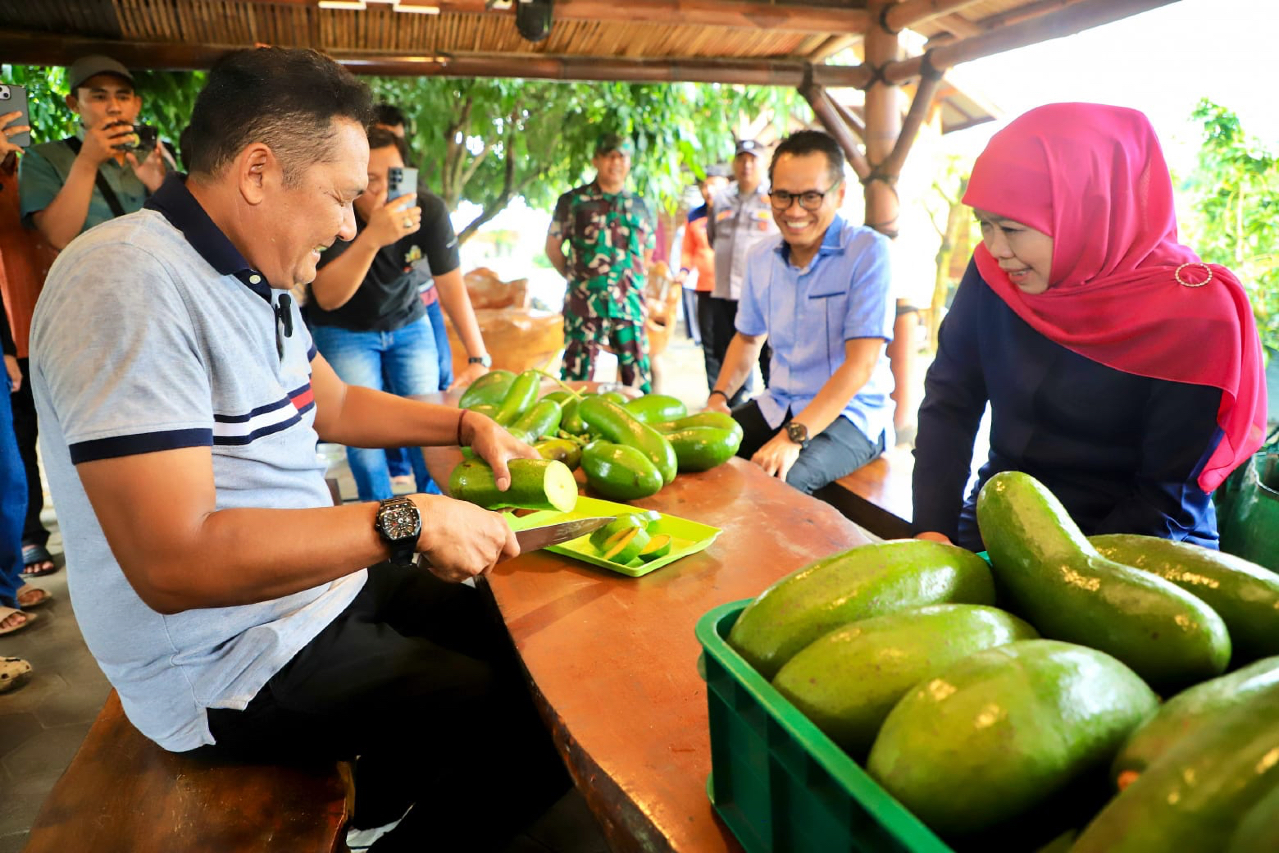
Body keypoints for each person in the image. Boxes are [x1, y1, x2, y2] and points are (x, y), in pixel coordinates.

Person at [29, 47, 567, 850]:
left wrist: (460, 424)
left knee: (521, 632)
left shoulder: (256, 277)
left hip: (308, 594)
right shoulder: (126, 281)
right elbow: (172, 562)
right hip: (225, 663)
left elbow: (332, 401)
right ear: (257, 172)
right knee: (525, 724)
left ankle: (377, 808)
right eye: (343, 197)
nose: (352, 224)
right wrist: (404, 519)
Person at [912, 103, 1268, 551]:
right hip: (1004, 518)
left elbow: (1166, 501)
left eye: (1012, 228)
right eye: (984, 224)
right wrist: (932, 530)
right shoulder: (994, 275)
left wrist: (1049, 575)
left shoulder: (1195, 313)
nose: (996, 247)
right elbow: (950, 400)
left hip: (1145, 542)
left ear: (1088, 208)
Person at [15, 54, 171, 577]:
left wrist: (159, 180)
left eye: (122, 95)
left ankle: (167, 531)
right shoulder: (44, 159)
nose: (112, 105)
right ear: (73, 104)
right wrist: (86, 161)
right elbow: (57, 234)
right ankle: (104, 549)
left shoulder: (155, 158)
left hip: (160, 317)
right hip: (88, 327)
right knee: (94, 440)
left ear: (138, 103)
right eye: (97, 95)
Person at [707, 130, 895, 495]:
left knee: (782, 483)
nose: (794, 211)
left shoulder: (869, 252)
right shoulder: (761, 257)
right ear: (770, 193)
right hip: (780, 404)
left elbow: (861, 365)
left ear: (839, 194)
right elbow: (747, 339)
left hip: (853, 418)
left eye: (810, 197)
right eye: (783, 196)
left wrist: (792, 437)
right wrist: (717, 399)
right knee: (700, 452)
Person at [306, 126, 446, 502]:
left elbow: (452, 282)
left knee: (427, 425)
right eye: (370, 180)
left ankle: (436, 519)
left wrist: (479, 354)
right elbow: (328, 297)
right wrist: (373, 236)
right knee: (364, 443)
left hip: (407, 322)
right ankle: (381, 531)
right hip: (344, 330)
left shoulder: (425, 209)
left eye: (395, 177)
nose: (384, 190)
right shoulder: (336, 212)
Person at [371, 104, 492, 392]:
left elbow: (451, 283)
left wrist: (478, 357)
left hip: (421, 296)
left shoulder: (419, 196)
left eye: (396, 140)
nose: (388, 146)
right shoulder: (350, 199)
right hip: (362, 313)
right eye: (380, 138)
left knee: (439, 379)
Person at [546, 132, 655, 392]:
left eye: (622, 156)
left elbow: (647, 253)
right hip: (584, 306)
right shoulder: (572, 202)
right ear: (596, 159)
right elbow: (552, 248)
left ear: (629, 162)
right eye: (609, 156)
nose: (615, 162)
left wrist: (632, 282)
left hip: (629, 305)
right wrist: (579, 281)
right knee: (575, 381)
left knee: (637, 380)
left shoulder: (641, 205)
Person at [0, 109, 49, 645]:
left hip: (49, 318)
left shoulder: (37, 166)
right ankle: (29, 541)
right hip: (11, 327)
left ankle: (9, 574)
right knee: (15, 445)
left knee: (32, 448)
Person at [705, 139, 779, 405]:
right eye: (741, 159)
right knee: (727, 352)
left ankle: (775, 404)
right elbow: (712, 237)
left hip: (763, 292)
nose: (746, 165)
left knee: (767, 355)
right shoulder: (722, 198)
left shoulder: (773, 198)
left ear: (762, 164)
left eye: (752, 159)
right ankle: (730, 408)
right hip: (726, 292)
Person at [677, 164, 729, 349]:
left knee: (733, 343)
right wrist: (684, 271)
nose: (709, 191)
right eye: (705, 186)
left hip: (732, 289)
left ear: (727, 184)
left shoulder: (736, 214)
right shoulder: (694, 217)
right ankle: (714, 379)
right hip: (706, 288)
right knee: (709, 342)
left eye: (714, 185)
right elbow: (688, 250)